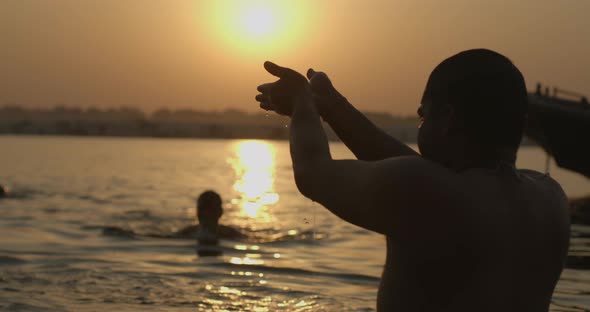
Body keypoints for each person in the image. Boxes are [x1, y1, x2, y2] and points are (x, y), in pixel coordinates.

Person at [255, 49, 570, 311]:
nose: (421, 126)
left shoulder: (430, 193)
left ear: (448, 119)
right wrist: (332, 106)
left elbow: (313, 172)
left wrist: (301, 104)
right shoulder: (549, 198)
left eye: (423, 116)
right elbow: (418, 175)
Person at [170, 190, 244, 244]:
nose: (206, 213)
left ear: (220, 212)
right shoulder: (186, 233)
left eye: (210, 209)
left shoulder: (232, 235)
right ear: (197, 212)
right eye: (202, 209)